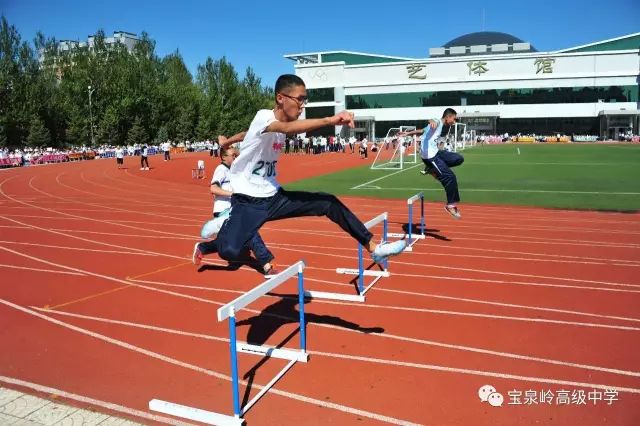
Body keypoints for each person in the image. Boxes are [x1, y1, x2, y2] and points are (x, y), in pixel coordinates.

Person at [192, 74, 406, 272]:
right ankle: (220, 226)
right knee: (229, 251)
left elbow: (247, 133)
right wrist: (330, 120)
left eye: (306, 100)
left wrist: (227, 141)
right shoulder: (264, 117)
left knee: (328, 202)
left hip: (274, 196)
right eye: (300, 99)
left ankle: (373, 248)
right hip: (248, 200)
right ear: (280, 98)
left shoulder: (273, 126)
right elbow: (285, 129)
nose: (303, 105)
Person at [197, 146, 276, 275]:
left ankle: (203, 248)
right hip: (223, 211)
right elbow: (213, 189)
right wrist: (232, 194)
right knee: (250, 233)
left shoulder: (235, 170)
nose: (235, 157)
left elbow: (243, 156)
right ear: (223, 157)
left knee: (228, 241)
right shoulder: (221, 169)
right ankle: (267, 266)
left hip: (236, 210)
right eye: (232, 155)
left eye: (235, 155)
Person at [399, 108, 464, 219]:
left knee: (458, 158)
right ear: (448, 117)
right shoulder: (438, 122)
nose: (454, 121)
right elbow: (433, 121)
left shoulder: (440, 126)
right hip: (430, 157)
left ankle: (432, 169)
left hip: (436, 153)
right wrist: (432, 121)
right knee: (450, 177)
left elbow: (422, 130)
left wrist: (408, 133)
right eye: (454, 118)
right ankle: (450, 205)